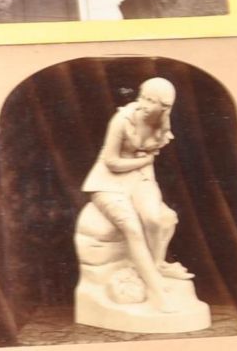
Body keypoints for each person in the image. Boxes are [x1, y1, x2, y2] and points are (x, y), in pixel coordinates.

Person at [84, 78, 192, 313]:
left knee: (155, 219)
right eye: (143, 96)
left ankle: (152, 268)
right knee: (132, 227)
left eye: (151, 101)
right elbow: (111, 162)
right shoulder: (123, 119)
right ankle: (158, 292)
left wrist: (147, 181)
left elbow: (148, 166)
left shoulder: (162, 125)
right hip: (107, 182)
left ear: (164, 108)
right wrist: (145, 160)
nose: (143, 103)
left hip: (140, 177)